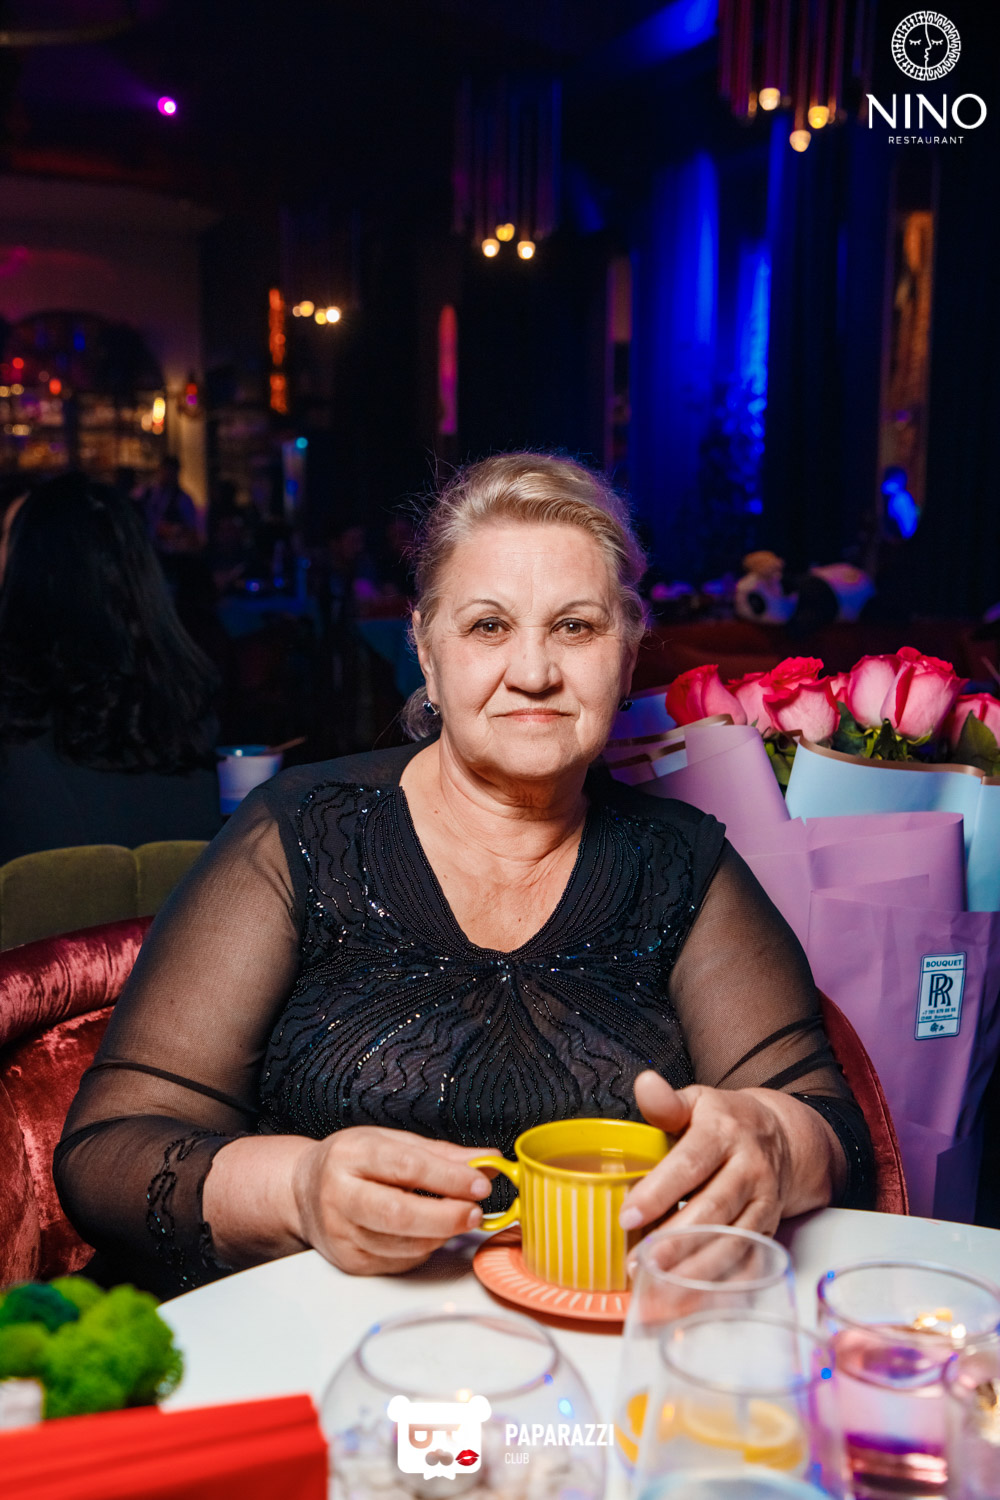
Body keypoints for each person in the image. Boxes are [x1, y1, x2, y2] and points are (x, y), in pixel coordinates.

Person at [55, 454, 874, 1298]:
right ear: (425, 649)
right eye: (488, 627)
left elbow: (837, 1131)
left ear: (628, 654)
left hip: (591, 1342)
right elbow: (107, 1150)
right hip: (313, 1339)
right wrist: (298, 1191)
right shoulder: (302, 830)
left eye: (576, 627)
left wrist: (774, 1142)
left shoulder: (683, 863)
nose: (534, 672)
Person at [0, 473, 222, 863]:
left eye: (7, 538)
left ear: (32, 564)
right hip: (182, 902)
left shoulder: (20, 710)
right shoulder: (182, 698)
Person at [140, 455, 201, 555]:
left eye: (171, 471)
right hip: (146, 549)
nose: (167, 475)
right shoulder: (145, 493)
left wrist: (173, 530)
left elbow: (192, 530)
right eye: (165, 470)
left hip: (171, 552)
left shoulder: (183, 499)